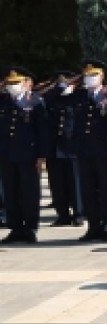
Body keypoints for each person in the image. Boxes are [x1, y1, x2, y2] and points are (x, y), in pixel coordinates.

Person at [71, 61, 107, 242]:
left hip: (106, 151)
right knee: (87, 190)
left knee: (106, 190)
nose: (90, 77)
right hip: (84, 150)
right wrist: (74, 82)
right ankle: (93, 227)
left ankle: (106, 227)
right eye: (86, 74)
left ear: (102, 76)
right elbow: (53, 98)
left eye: (93, 74)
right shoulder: (78, 95)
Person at [0, 67, 48, 243]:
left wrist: (42, 155)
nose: (12, 86)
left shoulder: (35, 102)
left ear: (25, 83)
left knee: (29, 193)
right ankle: (16, 228)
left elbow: (42, 131)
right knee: (10, 193)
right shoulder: (3, 101)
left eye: (16, 83)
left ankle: (30, 228)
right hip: (6, 154)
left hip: (29, 155)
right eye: (9, 83)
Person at [44, 70, 83, 227]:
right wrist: (58, 88)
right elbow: (45, 99)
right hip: (55, 146)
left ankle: (79, 213)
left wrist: (74, 87)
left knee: (75, 183)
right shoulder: (52, 98)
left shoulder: (78, 97)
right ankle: (63, 214)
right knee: (57, 184)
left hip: (73, 147)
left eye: (67, 81)